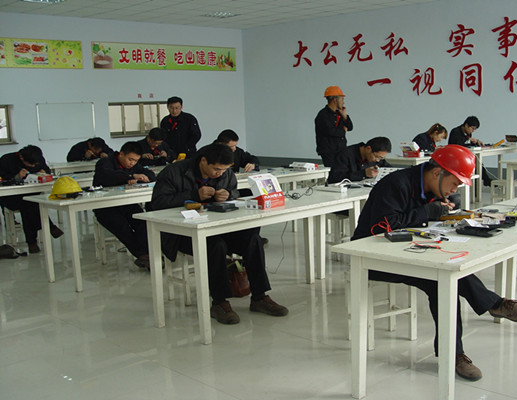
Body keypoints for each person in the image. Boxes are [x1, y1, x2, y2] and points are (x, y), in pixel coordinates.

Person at [351, 145, 517, 382]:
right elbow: (383, 226)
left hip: (408, 252)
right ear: (437, 173)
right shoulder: (396, 185)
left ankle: (457, 349)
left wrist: (443, 210)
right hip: (373, 257)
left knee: (445, 277)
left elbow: (420, 219)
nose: (454, 189)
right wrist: (427, 211)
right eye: (455, 183)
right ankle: (490, 310)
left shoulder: (431, 186)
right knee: (440, 280)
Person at [150, 143, 288, 324]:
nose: (220, 173)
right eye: (216, 169)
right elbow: (157, 203)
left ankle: (259, 297)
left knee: (252, 240)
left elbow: (234, 192)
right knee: (215, 245)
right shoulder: (174, 172)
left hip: (219, 227)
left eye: (224, 170)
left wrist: (228, 194)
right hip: (183, 233)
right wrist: (194, 195)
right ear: (203, 161)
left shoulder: (226, 173)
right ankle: (219, 302)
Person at [92, 141, 155, 269]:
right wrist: (130, 176)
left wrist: (142, 177)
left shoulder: (134, 165)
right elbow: (108, 175)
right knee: (122, 227)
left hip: (125, 203)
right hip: (105, 206)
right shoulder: (105, 162)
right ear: (121, 154)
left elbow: (149, 174)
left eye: (136, 161)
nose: (132, 163)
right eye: (130, 159)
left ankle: (149, 254)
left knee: (142, 221)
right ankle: (144, 255)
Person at [0, 145, 63, 253]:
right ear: (21, 158)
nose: (34, 166)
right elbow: (2, 180)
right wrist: (17, 177)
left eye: (35, 164)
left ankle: (32, 242)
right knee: (29, 204)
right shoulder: (7, 160)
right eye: (31, 164)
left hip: (30, 194)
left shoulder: (37, 158)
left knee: (30, 203)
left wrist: (44, 172)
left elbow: (46, 169)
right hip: (10, 197)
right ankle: (49, 227)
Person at [315, 86, 353, 167]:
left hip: (340, 150)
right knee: (333, 172)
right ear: (335, 100)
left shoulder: (339, 113)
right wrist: (343, 131)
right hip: (329, 151)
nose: (343, 102)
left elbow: (350, 127)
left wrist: (345, 116)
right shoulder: (323, 115)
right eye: (342, 99)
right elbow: (331, 131)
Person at [327, 136, 392, 184]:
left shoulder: (377, 158)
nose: (377, 160)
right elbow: (335, 178)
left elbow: (390, 169)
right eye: (376, 157)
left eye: (381, 158)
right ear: (368, 149)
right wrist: (363, 173)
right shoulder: (345, 154)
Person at [449, 116, 491, 186]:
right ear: (466, 125)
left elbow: (468, 144)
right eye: (472, 128)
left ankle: (484, 181)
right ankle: (485, 181)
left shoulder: (468, 133)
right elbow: (457, 143)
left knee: (478, 162)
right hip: (455, 157)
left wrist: (476, 142)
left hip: (465, 156)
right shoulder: (455, 131)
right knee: (475, 162)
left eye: (475, 129)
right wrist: (469, 140)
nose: (473, 131)